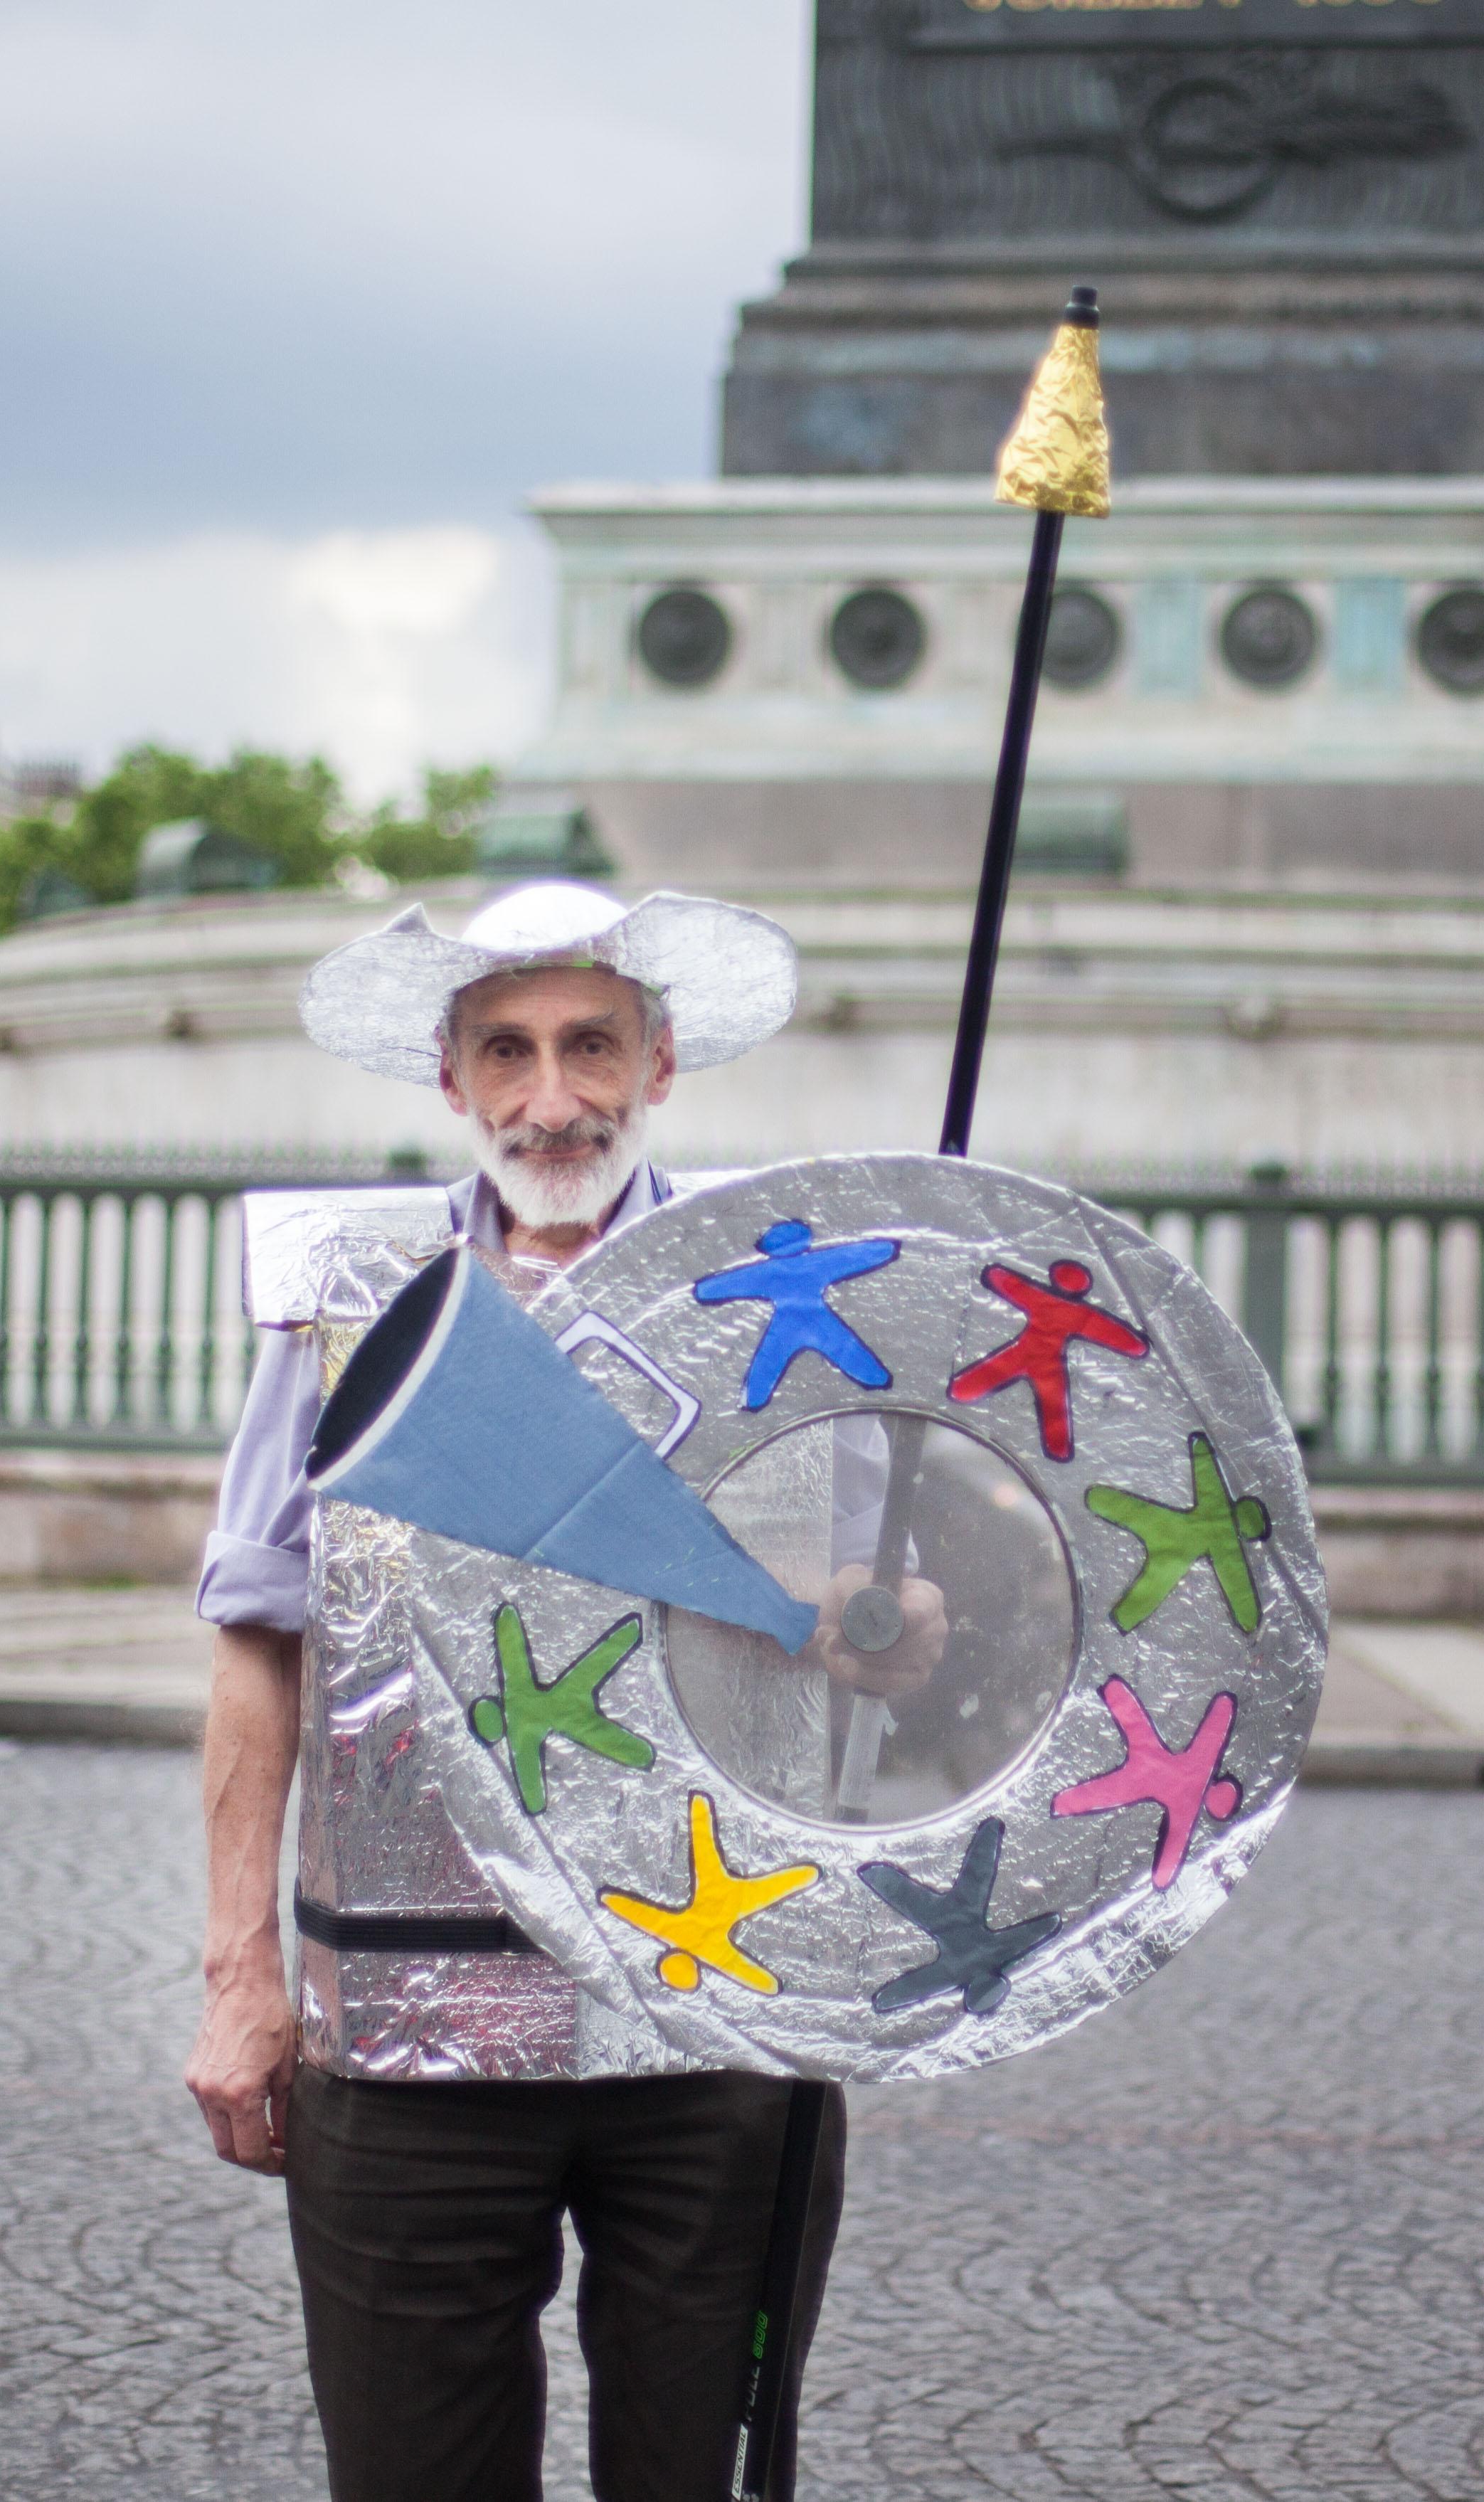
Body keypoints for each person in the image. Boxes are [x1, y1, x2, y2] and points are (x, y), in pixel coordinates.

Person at [185, 882, 945, 2502]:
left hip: (717, 2019)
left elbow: (897, 1631)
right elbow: (260, 1632)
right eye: (508, 1051)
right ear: (452, 1081)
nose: (551, 1096)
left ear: (658, 1061)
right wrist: (240, 1972)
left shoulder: (792, 1295)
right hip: (406, 2029)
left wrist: (899, 1629)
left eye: (590, 1043)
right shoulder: (344, 1299)